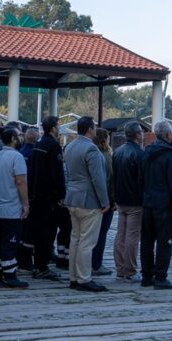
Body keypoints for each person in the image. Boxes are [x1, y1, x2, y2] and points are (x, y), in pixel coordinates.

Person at [64, 116, 109, 292]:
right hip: (89, 200)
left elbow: (67, 173)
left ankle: (73, 277)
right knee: (87, 242)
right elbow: (98, 178)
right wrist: (104, 201)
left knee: (75, 238)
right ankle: (84, 278)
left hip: (72, 198)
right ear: (90, 129)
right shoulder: (91, 149)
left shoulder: (70, 146)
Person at [140, 121, 172, 290]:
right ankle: (161, 276)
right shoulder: (170, 154)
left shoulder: (146, 152)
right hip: (163, 203)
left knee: (147, 240)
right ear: (168, 135)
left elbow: (141, 177)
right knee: (164, 241)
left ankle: (147, 276)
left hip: (148, 201)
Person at [0, 127, 30, 289]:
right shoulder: (16, 156)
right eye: (19, 136)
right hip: (12, 207)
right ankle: (10, 275)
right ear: (13, 139)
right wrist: (26, 203)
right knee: (10, 242)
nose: (21, 138)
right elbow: (20, 181)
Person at [28, 116, 65, 281]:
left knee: (38, 232)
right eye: (58, 125)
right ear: (53, 128)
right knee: (48, 233)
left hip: (36, 196)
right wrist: (61, 195)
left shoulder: (38, 145)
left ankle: (38, 265)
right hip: (49, 198)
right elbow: (57, 174)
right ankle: (42, 267)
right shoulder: (53, 146)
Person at [112, 121, 145, 281]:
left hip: (120, 199)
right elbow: (142, 179)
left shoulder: (117, 152)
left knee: (121, 235)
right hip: (135, 201)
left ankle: (119, 268)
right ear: (138, 135)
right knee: (132, 236)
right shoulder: (139, 154)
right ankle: (130, 270)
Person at [90, 128, 115, 277]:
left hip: (90, 200)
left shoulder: (92, 153)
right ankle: (97, 264)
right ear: (105, 139)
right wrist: (111, 201)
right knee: (101, 233)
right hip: (104, 201)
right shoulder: (106, 156)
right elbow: (110, 180)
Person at [17, 127, 41, 272]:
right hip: (30, 196)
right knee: (30, 231)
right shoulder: (34, 154)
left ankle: (20, 258)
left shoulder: (20, 152)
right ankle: (26, 261)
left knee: (22, 229)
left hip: (18, 196)